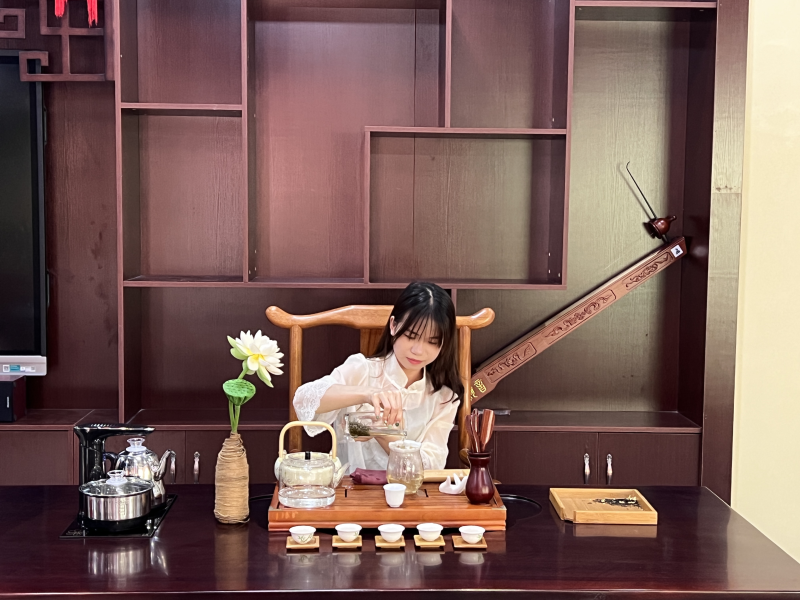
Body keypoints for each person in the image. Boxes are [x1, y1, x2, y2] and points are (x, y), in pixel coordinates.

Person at [292, 281, 462, 471]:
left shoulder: (444, 398)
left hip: (409, 489)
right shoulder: (361, 369)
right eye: (411, 336)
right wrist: (367, 393)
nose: (418, 350)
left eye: (432, 341)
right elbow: (303, 400)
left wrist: (381, 432)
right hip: (350, 486)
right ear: (393, 326)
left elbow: (431, 467)